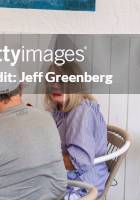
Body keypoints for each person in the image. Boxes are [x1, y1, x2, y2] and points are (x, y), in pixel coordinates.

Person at [45, 61, 109, 199]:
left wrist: (42, 162)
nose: (55, 85)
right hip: (67, 176)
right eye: (51, 79)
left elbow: (78, 162)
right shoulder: (60, 109)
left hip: (82, 185)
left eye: (62, 80)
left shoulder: (81, 112)